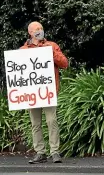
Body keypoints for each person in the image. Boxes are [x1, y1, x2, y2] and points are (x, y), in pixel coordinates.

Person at [20, 21, 68, 164]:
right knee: (35, 123)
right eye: (37, 29)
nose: (40, 30)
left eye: (41, 28)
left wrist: (52, 54)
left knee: (51, 121)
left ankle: (54, 152)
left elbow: (64, 63)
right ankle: (40, 152)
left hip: (48, 92)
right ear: (30, 32)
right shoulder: (23, 50)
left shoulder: (51, 46)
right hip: (32, 93)